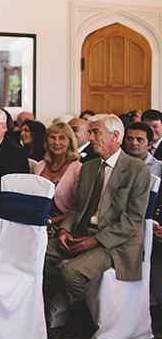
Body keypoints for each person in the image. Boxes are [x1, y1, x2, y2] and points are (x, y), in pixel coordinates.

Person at [44, 114, 151, 310]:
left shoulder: (137, 169)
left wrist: (96, 240)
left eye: (96, 133)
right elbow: (76, 208)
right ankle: (54, 303)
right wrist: (64, 230)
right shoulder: (89, 167)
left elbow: (133, 220)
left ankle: (77, 312)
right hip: (80, 232)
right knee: (38, 255)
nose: (90, 137)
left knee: (72, 272)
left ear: (115, 136)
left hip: (114, 242)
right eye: (90, 133)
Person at [33, 122, 82, 238]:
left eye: (62, 138)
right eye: (52, 137)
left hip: (63, 226)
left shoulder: (77, 168)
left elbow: (77, 209)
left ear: (70, 142)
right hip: (36, 222)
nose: (56, 142)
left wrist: (50, 222)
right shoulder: (39, 166)